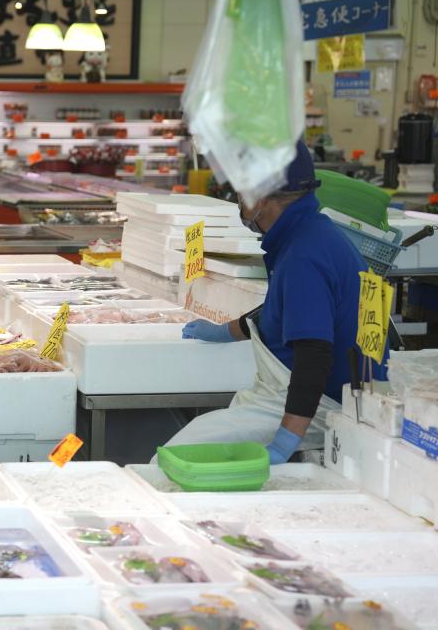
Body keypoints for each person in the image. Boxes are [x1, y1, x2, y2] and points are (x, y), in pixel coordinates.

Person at [164, 140, 386, 464]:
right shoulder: (311, 233)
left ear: (261, 198)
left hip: (324, 407)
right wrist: (226, 331)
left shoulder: (303, 257)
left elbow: (314, 357)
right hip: (315, 394)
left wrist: (285, 441)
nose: (239, 201)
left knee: (177, 456)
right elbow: (283, 311)